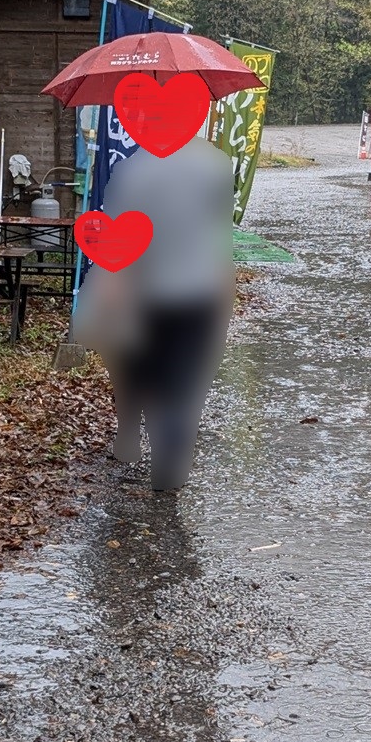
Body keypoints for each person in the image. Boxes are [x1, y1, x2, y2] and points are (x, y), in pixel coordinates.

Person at [74, 135, 235, 492]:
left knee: (142, 368)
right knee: (183, 377)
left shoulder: (131, 171)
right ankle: (171, 452)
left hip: (144, 292)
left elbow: (113, 234)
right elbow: (221, 233)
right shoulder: (216, 168)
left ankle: (147, 434)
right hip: (198, 293)